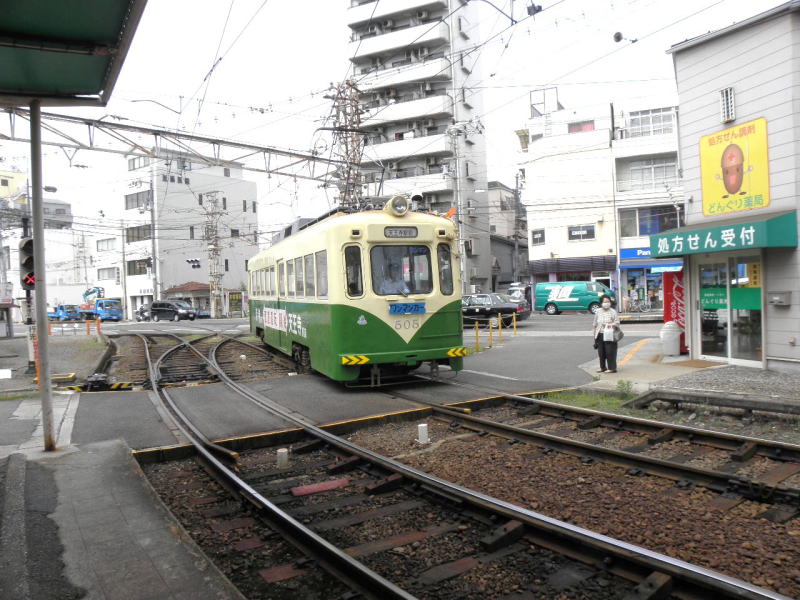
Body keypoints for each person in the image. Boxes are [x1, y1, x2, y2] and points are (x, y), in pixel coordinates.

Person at [592, 294, 620, 373]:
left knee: (610, 352)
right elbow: (594, 324)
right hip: (600, 334)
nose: (606, 303)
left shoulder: (613, 311)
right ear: (601, 303)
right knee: (601, 353)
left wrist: (609, 324)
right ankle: (602, 368)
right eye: (605, 302)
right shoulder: (598, 311)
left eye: (608, 301)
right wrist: (594, 335)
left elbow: (617, 323)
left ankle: (612, 368)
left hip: (610, 334)